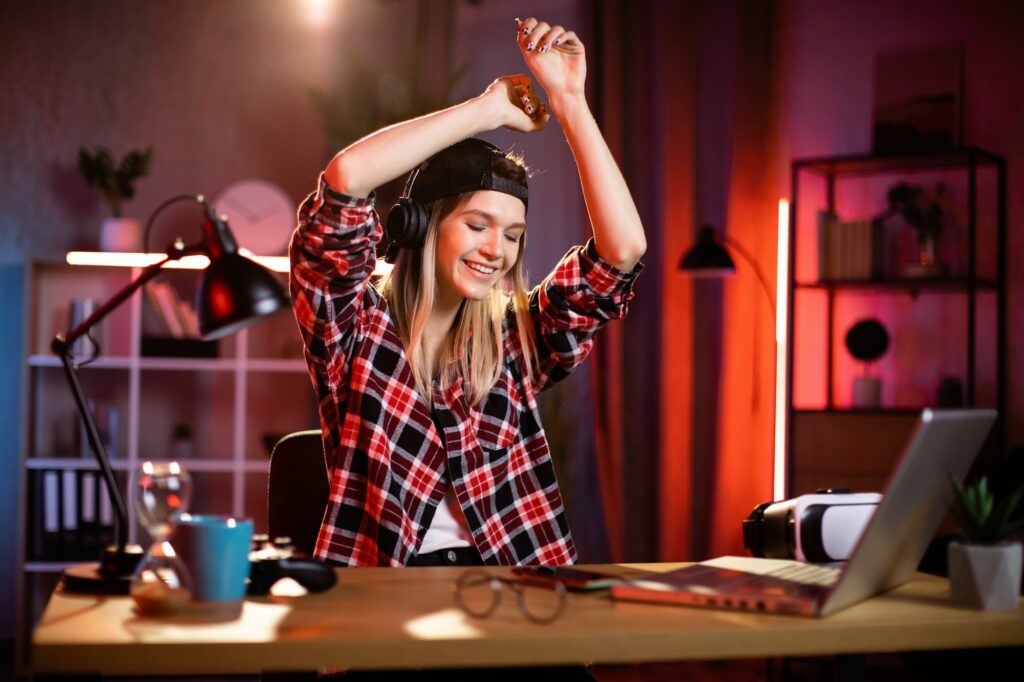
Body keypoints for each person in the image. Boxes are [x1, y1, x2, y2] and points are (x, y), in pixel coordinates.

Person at [290, 16, 645, 568]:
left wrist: (569, 99)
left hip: (513, 600)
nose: (496, 250)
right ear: (421, 227)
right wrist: (490, 109)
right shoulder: (354, 330)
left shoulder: (515, 339)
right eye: (477, 225)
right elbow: (347, 176)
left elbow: (620, 254)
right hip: (382, 605)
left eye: (512, 235)